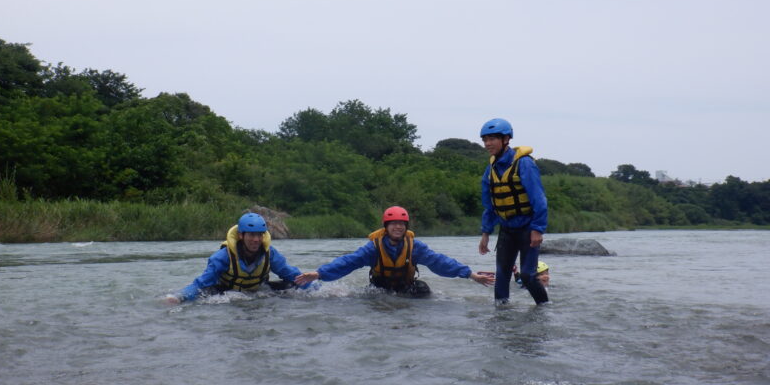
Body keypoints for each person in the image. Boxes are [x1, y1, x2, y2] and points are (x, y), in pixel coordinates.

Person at [294, 206, 495, 297]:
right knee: (374, 300)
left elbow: (440, 262)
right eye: (394, 224)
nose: (398, 227)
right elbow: (348, 262)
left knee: (424, 292)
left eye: (401, 224)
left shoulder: (414, 246)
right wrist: (319, 273)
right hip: (380, 289)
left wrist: (470, 275)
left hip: (405, 287)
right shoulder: (373, 248)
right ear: (386, 226)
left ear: (406, 226)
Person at [478, 118, 549, 305]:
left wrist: (537, 229)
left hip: (527, 228)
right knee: (501, 275)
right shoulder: (490, 169)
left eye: (492, 139)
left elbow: (539, 199)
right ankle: (501, 316)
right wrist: (485, 233)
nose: (487, 144)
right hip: (507, 230)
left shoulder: (524, 164)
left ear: (506, 139)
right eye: (485, 139)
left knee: (527, 274)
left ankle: (544, 308)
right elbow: (490, 204)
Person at [163, 212, 305, 304]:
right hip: (226, 292)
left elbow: (291, 274)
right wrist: (179, 297)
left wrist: (316, 288)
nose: (256, 240)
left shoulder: (270, 254)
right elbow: (201, 284)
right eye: (251, 235)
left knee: (292, 285)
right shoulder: (223, 256)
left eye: (259, 235)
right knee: (204, 293)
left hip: (257, 291)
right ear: (241, 235)